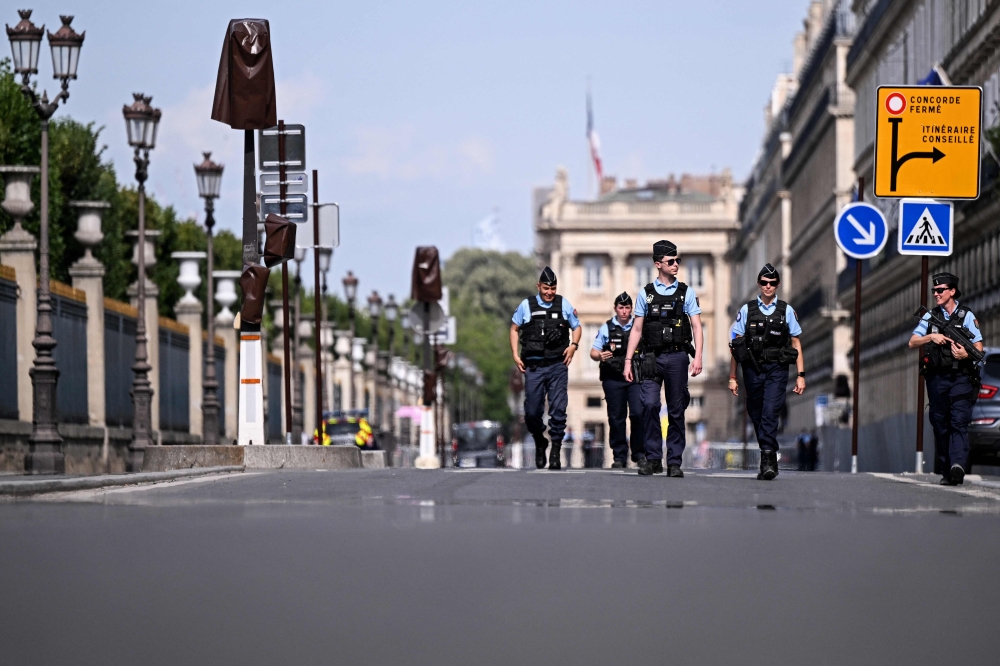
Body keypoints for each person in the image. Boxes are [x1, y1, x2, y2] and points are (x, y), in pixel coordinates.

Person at [623, 240, 703, 477]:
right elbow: (637, 329)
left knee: (676, 410)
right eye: (671, 261)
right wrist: (628, 361)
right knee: (649, 405)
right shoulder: (645, 294)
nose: (676, 264)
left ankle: (675, 461)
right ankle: (654, 458)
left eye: (678, 260)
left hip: (678, 357)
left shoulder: (686, 292)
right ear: (658, 264)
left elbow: (697, 327)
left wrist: (698, 357)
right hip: (650, 357)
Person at [728, 263, 805, 480]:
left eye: (772, 283)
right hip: (752, 369)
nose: (768, 286)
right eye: (764, 282)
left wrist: (801, 375)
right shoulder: (747, 310)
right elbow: (736, 345)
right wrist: (733, 377)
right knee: (756, 412)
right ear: (759, 284)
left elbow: (796, 342)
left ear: (777, 285)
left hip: (777, 369)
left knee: (771, 410)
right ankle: (767, 451)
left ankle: (768, 456)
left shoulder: (786, 311)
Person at [908, 272, 983, 485]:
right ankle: (946, 469)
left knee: (959, 422)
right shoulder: (929, 316)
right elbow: (912, 342)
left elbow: (979, 348)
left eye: (940, 290)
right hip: (937, 378)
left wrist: (964, 354)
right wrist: (931, 336)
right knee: (940, 424)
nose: (936, 293)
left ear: (952, 291)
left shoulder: (966, 315)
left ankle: (958, 464)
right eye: (934, 290)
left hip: (961, 376)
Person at [510, 266, 582, 470]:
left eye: (553, 288)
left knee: (558, 410)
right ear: (538, 286)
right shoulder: (527, 305)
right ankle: (540, 440)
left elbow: (576, 327)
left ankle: (556, 451)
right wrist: (516, 355)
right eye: (546, 288)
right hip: (533, 367)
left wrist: (573, 346)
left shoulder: (563, 304)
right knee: (532, 412)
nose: (550, 292)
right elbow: (514, 329)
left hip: (557, 366)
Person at [590, 292, 645, 468]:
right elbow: (593, 352)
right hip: (613, 378)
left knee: (637, 413)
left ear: (631, 309)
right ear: (615, 309)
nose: (624, 311)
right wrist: (600, 356)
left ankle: (639, 453)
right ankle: (619, 456)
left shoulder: (638, 325)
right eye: (621, 308)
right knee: (616, 417)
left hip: (635, 377)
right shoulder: (607, 328)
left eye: (627, 307)